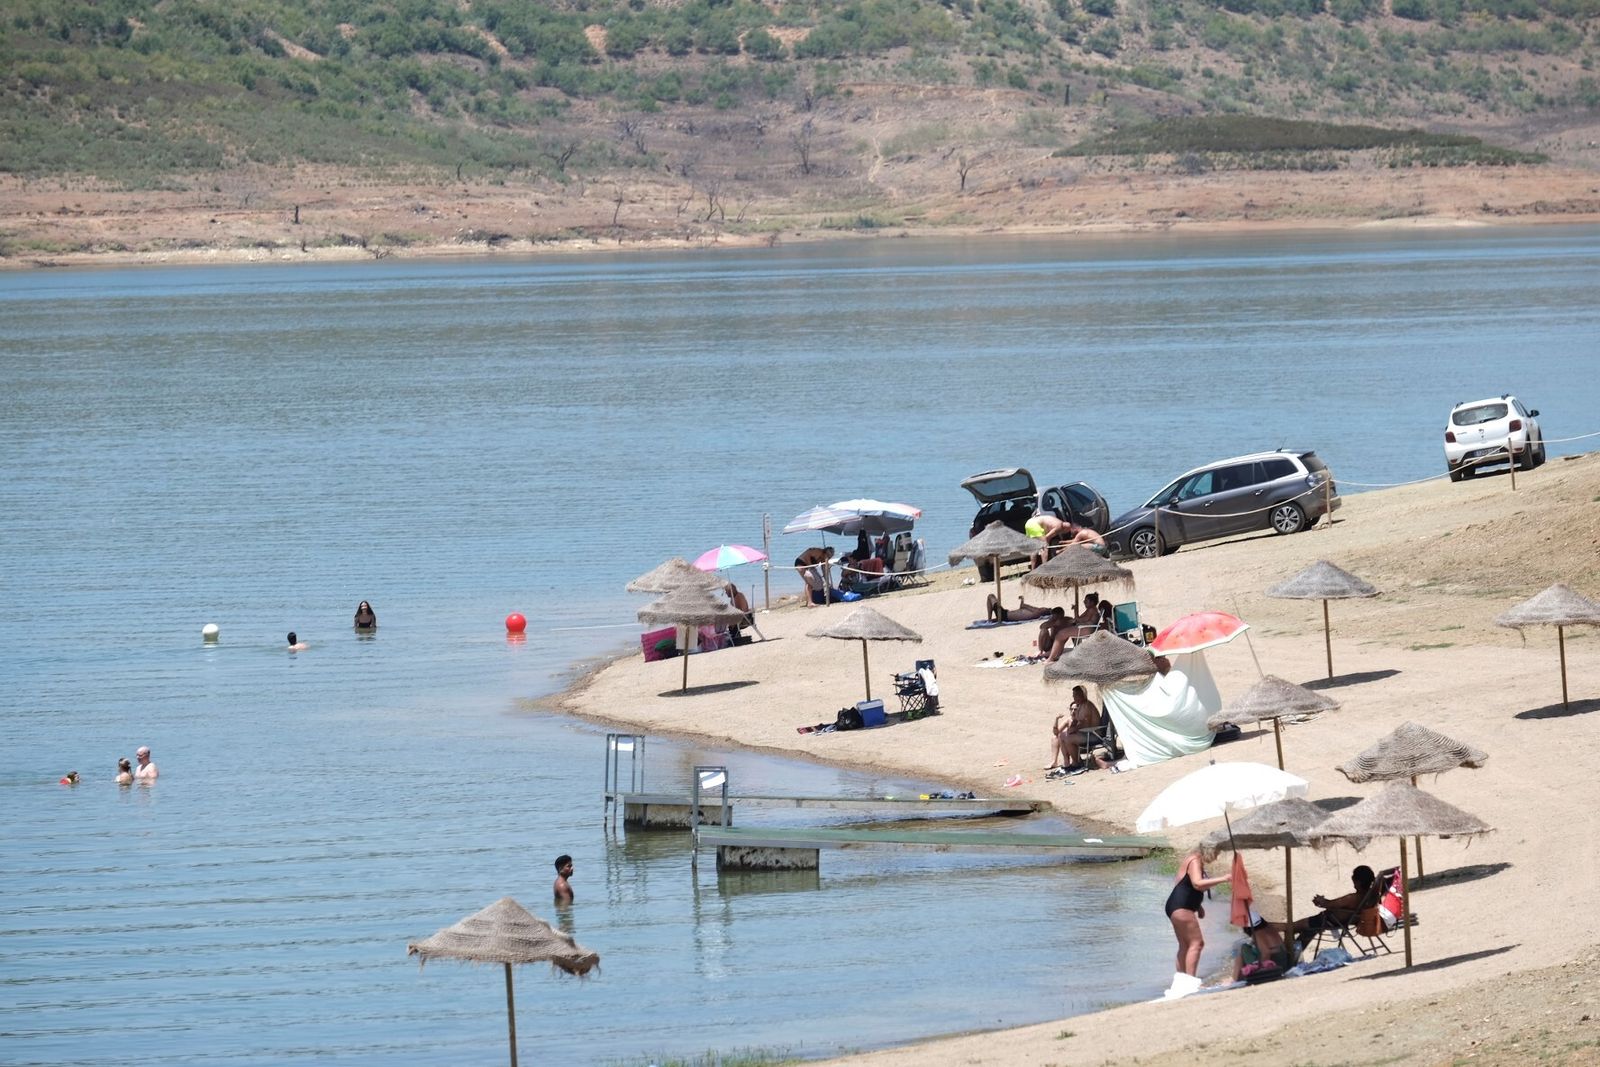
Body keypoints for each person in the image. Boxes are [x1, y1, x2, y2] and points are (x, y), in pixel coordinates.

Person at [1166, 848, 1231, 977]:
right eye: (1216, 853)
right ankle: (1190, 981)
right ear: (1208, 850)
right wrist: (1224, 879)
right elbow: (1197, 884)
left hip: (1176, 905)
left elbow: (1183, 883)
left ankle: (1181, 979)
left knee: (1185, 945)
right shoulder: (1195, 860)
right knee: (1197, 943)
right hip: (1181, 906)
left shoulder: (1192, 860)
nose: (1216, 858)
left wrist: (1198, 905)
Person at [1292, 865, 1377, 947]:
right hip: (1348, 920)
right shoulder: (1373, 895)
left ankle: (1289, 954)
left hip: (1328, 920)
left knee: (1292, 927)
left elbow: (1329, 904)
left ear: (1357, 882)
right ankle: (1293, 955)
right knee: (1307, 930)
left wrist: (1320, 900)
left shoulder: (1352, 898)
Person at [1047, 685, 1102, 775]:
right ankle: (1068, 762)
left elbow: (1086, 723)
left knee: (1069, 737)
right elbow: (1077, 722)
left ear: (1082, 695)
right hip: (1086, 733)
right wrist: (1072, 727)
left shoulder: (1087, 706)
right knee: (1062, 735)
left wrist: (1074, 729)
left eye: (1076, 695)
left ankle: (1077, 763)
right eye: (1073, 695)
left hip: (1094, 735)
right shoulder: (1080, 706)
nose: (1074, 697)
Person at [1044, 593, 1105, 661]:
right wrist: (1075, 617)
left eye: (1086, 601)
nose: (1084, 602)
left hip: (1087, 629)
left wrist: (1075, 610)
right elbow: (1079, 619)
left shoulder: (1092, 610)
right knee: (1062, 634)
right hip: (1086, 628)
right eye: (1084, 601)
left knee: (1060, 634)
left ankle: (1051, 658)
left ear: (1092, 602)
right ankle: (1056, 654)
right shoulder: (1090, 609)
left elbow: (1078, 619)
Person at [986, 594, 1053, 624]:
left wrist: (1022, 601)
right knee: (992, 598)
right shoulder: (1036, 612)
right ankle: (990, 620)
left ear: (1044, 612)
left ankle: (989, 620)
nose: (1043, 608)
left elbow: (1024, 606)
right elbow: (1023, 607)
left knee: (991, 596)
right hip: (1006, 615)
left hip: (1005, 615)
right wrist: (1022, 601)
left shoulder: (1037, 613)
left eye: (1045, 608)